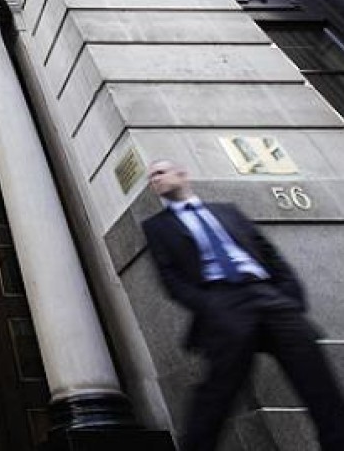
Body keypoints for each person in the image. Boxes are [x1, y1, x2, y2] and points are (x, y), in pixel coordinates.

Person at [141, 159, 344, 451]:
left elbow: (268, 253)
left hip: (270, 298)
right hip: (224, 304)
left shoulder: (227, 211)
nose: (155, 180)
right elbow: (171, 279)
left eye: (160, 173)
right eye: (151, 178)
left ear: (182, 174)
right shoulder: (157, 227)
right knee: (218, 395)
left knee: (318, 382)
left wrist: (288, 298)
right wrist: (212, 306)